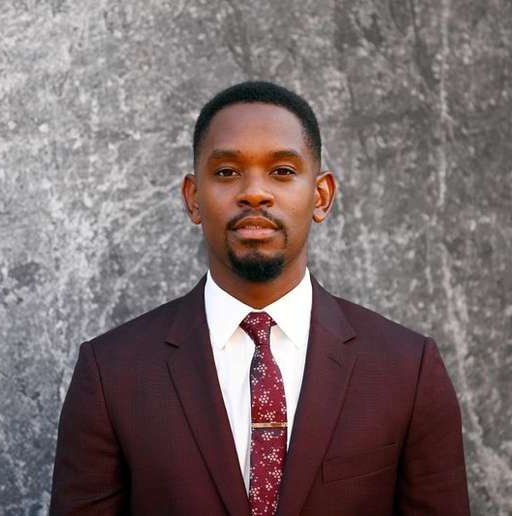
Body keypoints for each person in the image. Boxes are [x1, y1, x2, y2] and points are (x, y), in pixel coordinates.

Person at [49, 81, 470, 515]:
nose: (254, 192)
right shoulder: (112, 374)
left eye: (282, 171)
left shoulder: (407, 370)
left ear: (321, 196)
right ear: (194, 199)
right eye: (227, 172)